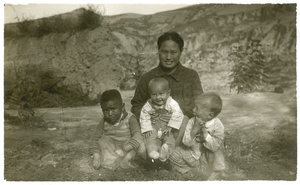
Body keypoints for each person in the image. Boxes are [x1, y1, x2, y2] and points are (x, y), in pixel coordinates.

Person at [131, 31, 203, 120]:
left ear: (181, 51)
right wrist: (153, 115)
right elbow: (136, 106)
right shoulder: (147, 78)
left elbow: (200, 105)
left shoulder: (191, 76)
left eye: (173, 52)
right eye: (164, 52)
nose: (168, 57)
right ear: (158, 50)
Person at [169, 92, 225, 180]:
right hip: (193, 155)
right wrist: (194, 130)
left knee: (217, 152)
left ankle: (215, 173)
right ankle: (189, 170)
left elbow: (214, 146)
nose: (193, 110)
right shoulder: (192, 121)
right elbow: (186, 143)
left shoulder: (218, 125)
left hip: (208, 157)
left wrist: (205, 135)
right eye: (194, 106)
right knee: (173, 153)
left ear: (210, 115)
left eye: (197, 108)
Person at [89, 89, 145, 170]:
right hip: (114, 150)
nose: (110, 114)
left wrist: (124, 149)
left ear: (122, 107)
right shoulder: (104, 121)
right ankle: (115, 161)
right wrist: (96, 156)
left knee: (141, 145)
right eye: (106, 110)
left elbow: (138, 136)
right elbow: (94, 139)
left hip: (128, 147)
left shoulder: (130, 118)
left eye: (113, 109)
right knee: (103, 140)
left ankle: (128, 159)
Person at [140, 77, 184, 162]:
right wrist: (147, 128)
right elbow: (144, 114)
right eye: (154, 94)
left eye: (161, 94)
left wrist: (170, 126)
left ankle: (165, 152)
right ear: (150, 94)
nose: (158, 97)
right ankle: (152, 151)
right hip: (154, 125)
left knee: (169, 138)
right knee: (150, 137)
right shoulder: (149, 104)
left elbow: (178, 113)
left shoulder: (172, 103)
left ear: (168, 93)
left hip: (166, 127)